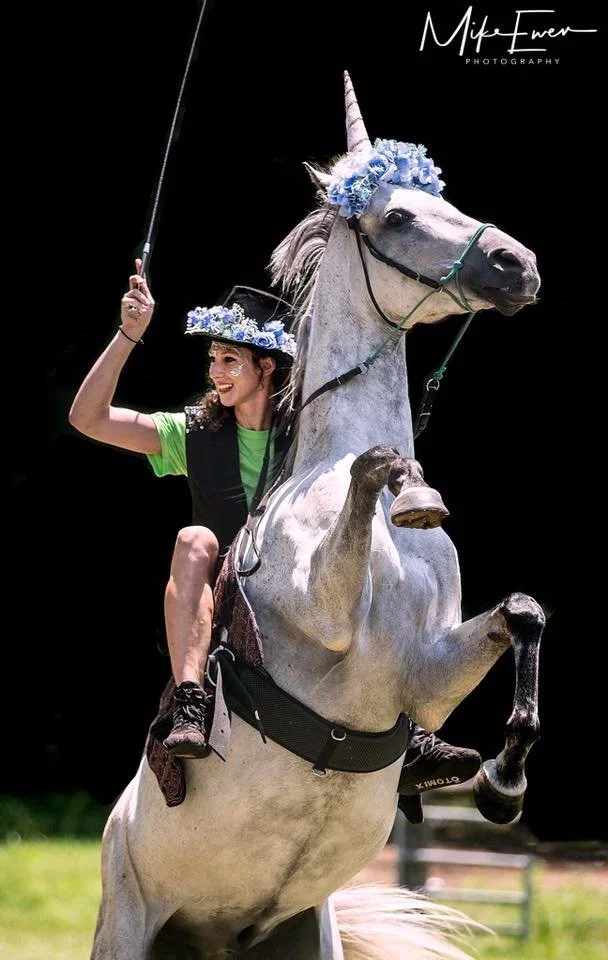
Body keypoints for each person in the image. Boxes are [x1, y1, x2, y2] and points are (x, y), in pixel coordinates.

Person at [69, 260, 481, 822]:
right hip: (228, 595)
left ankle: (409, 731)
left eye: (229, 359)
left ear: (266, 366)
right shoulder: (190, 433)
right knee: (193, 538)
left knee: (375, 552)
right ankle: (191, 701)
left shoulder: (310, 436)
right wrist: (127, 336)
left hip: (303, 592)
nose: (215, 371)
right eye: (212, 359)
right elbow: (88, 418)